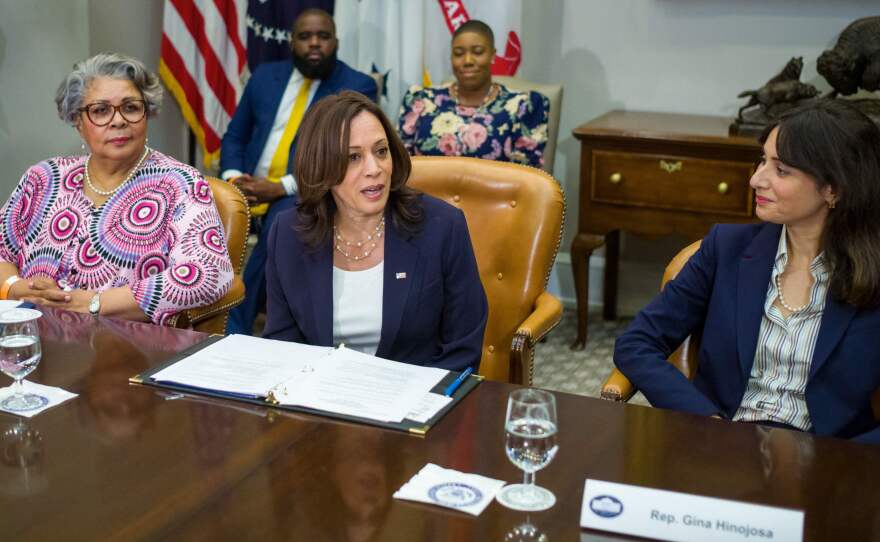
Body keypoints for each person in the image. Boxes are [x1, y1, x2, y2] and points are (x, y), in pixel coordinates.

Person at [614, 99, 880, 444]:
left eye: (781, 170)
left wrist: (835, 461)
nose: (756, 179)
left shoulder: (873, 272)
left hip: (832, 466)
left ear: (834, 188)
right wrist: (705, 421)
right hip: (720, 448)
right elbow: (637, 343)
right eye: (762, 160)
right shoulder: (726, 248)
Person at [0, 53, 233, 325]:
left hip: (124, 348)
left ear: (148, 112)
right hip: (27, 338)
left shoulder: (179, 184)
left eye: (131, 107)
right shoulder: (44, 178)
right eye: (100, 110)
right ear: (78, 121)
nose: (118, 120)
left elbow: (210, 274)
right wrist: (15, 287)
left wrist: (93, 303)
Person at [263, 91, 487, 372]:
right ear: (321, 166)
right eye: (353, 157)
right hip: (320, 402)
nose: (375, 168)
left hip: (415, 404)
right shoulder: (287, 232)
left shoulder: (442, 226)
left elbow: (462, 352)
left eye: (381, 151)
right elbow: (282, 344)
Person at [221, 8, 377, 335]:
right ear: (292, 43)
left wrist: (283, 186)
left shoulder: (356, 86)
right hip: (244, 186)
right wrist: (234, 181)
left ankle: (239, 333)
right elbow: (235, 136)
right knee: (209, 213)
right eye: (305, 37)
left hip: (304, 191)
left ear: (336, 41)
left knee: (281, 221)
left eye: (323, 36)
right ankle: (212, 324)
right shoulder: (265, 76)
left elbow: (342, 153)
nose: (314, 44)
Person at [397, 20, 549, 168]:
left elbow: (528, 176)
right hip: (422, 192)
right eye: (458, 54)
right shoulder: (421, 100)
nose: (467, 60)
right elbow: (400, 163)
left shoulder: (523, 106)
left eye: (477, 52)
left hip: (495, 194)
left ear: (493, 55)